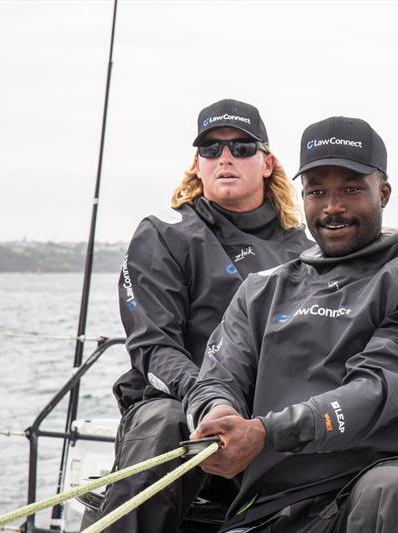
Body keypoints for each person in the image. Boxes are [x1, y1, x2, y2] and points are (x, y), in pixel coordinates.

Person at [185, 116, 398, 532]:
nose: (333, 207)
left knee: (391, 489)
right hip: (272, 506)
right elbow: (216, 378)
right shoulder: (261, 290)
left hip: (377, 487)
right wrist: (219, 415)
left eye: (351, 190)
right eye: (317, 191)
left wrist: (265, 432)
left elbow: (376, 389)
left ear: (384, 193)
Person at [98, 98, 313, 532]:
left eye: (242, 148)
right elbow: (154, 346)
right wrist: (211, 401)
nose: (226, 158)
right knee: (164, 422)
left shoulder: (306, 251)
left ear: (268, 162)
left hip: (271, 425)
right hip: (182, 412)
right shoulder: (164, 234)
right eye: (211, 150)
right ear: (198, 164)